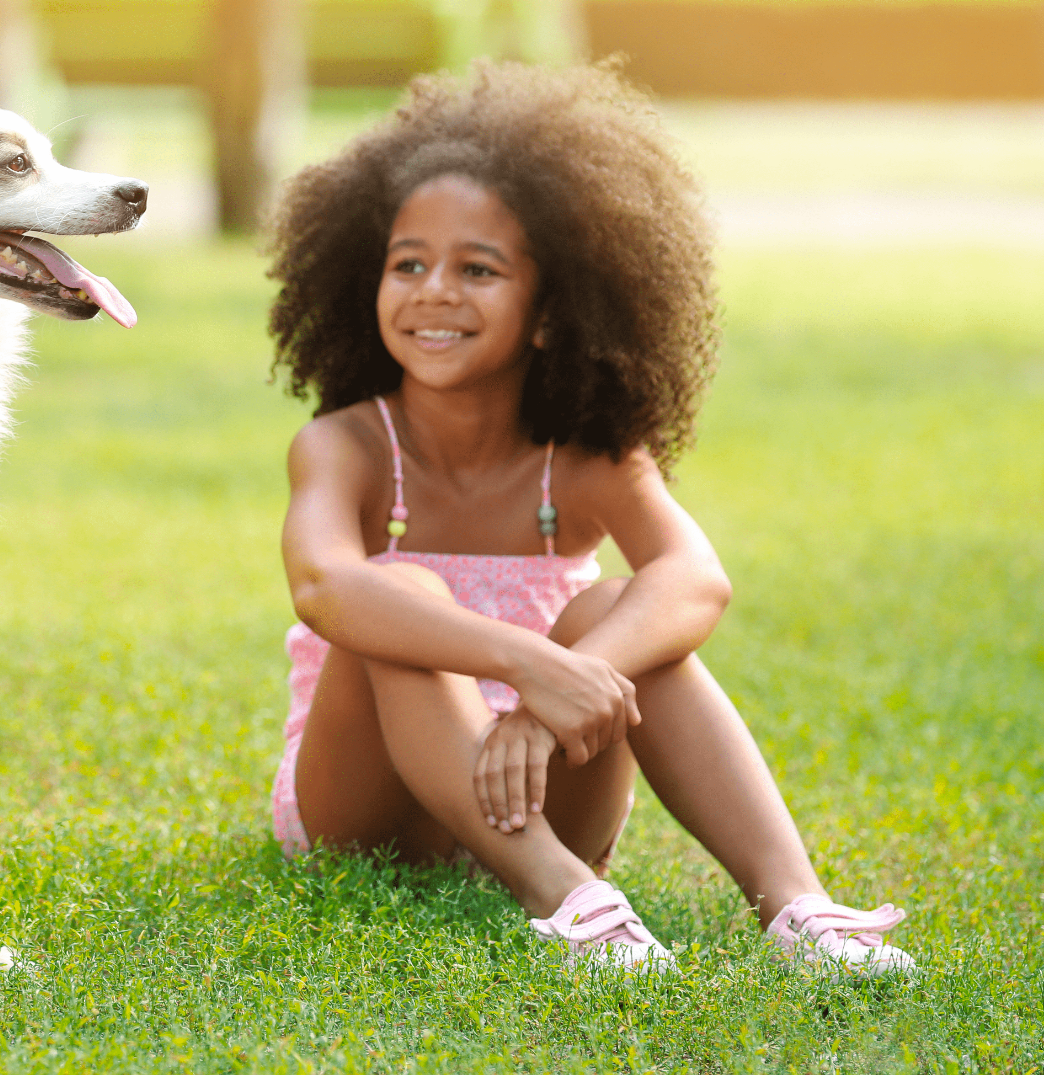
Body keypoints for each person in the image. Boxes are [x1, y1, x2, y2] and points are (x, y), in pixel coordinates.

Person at [265, 61, 912, 974]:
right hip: (368, 811)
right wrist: (526, 662)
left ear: (548, 312)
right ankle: (569, 902)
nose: (434, 290)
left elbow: (696, 578)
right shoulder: (345, 445)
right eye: (407, 263)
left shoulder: (589, 455)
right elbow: (324, 587)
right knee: (394, 590)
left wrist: (549, 695)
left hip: (542, 785)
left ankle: (798, 904)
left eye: (478, 268)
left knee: (619, 608)